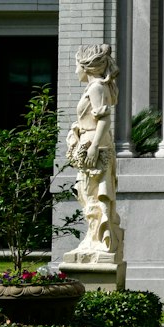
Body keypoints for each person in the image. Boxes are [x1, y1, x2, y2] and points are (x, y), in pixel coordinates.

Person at [65, 42, 123, 260]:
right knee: (86, 192)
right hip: (89, 144)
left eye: (76, 65)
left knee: (93, 194)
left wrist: (94, 147)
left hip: (95, 147)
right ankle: (93, 236)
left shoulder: (97, 87)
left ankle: (98, 239)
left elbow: (105, 119)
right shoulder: (95, 87)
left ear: (86, 67)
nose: (75, 70)